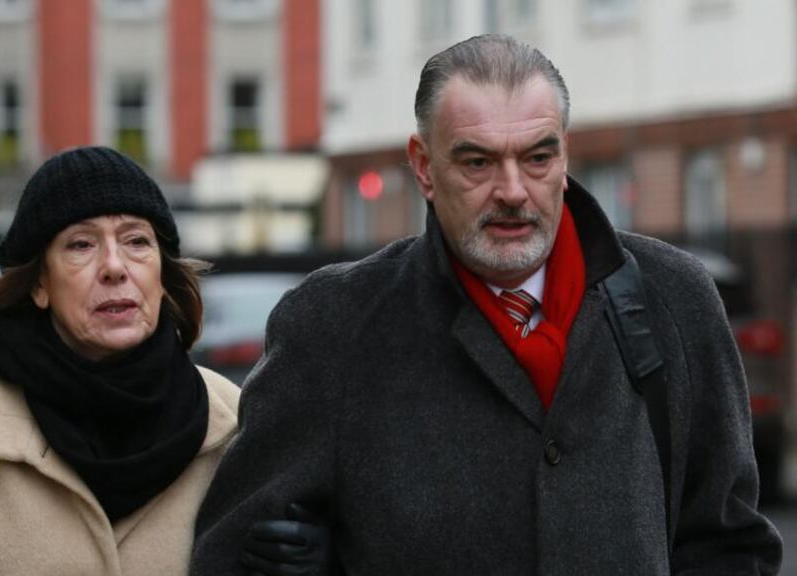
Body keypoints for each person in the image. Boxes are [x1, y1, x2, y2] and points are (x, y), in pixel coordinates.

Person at [190, 35, 783, 574]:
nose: (513, 191)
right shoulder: (334, 324)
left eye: (537, 158)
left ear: (564, 157)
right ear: (424, 166)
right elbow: (232, 553)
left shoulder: (674, 296)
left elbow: (729, 543)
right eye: (478, 162)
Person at [0, 146, 327, 575]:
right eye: (81, 244)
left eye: (137, 241)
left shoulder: (234, 424)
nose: (115, 266)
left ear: (162, 274)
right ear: (38, 284)